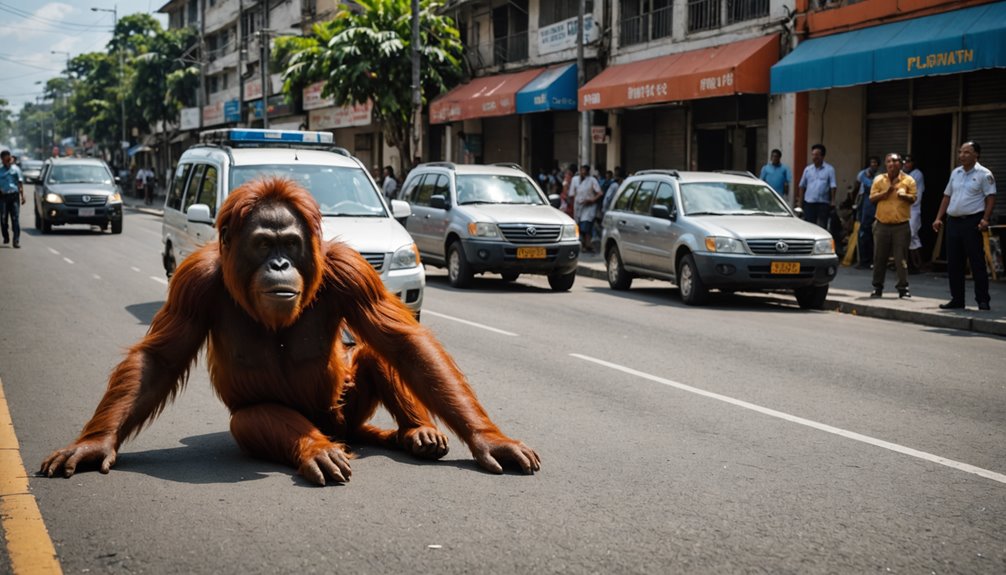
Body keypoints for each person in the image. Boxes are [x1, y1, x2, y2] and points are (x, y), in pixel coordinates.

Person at [932, 141, 997, 311]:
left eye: (967, 152)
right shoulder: (956, 173)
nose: (962, 155)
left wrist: (986, 219)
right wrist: (938, 218)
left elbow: (991, 197)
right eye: (960, 152)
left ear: (976, 155)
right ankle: (957, 299)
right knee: (954, 263)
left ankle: (983, 300)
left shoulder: (984, 174)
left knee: (976, 262)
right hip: (953, 222)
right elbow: (947, 196)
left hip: (972, 222)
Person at [868, 153, 916, 299]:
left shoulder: (908, 180)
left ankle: (903, 288)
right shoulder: (879, 179)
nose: (891, 164)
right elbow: (871, 199)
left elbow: (914, 198)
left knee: (901, 258)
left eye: (894, 161)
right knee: (879, 258)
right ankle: (877, 287)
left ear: (900, 163)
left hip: (901, 225)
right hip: (882, 224)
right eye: (888, 161)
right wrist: (886, 192)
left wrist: (904, 196)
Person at [797, 144, 837, 231]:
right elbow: (802, 186)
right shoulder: (807, 169)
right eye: (813, 155)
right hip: (809, 203)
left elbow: (833, 186)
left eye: (817, 155)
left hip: (823, 203)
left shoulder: (829, 169)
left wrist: (833, 201)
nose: (814, 157)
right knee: (809, 226)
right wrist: (800, 203)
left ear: (822, 156)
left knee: (822, 227)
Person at [852, 156, 880, 269]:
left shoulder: (880, 176)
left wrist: (865, 179)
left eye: (875, 163)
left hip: (874, 207)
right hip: (864, 206)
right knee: (862, 234)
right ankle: (863, 260)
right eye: (871, 162)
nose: (872, 165)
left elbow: (872, 186)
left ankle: (873, 261)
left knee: (873, 235)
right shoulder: (863, 174)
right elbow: (856, 187)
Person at [571, 164, 603, 252]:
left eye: (585, 171)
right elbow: (572, 194)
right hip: (578, 206)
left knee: (586, 226)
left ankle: (588, 244)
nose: (583, 172)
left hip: (589, 207)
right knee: (580, 227)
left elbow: (600, 193)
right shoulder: (575, 180)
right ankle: (584, 244)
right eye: (582, 170)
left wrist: (591, 200)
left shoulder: (592, 180)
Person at [904, 154, 925, 272]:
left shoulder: (917, 174)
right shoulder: (906, 173)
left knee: (910, 235)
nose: (906, 164)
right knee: (913, 239)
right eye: (905, 162)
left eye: (908, 162)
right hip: (906, 210)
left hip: (914, 209)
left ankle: (915, 265)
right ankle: (915, 265)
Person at [0, 150, 25, 249]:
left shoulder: (16, 169)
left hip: (14, 196)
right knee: (3, 218)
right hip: (3, 197)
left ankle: (16, 240)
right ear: (2, 160)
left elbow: (20, 183)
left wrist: (22, 196)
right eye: (6, 159)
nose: (8, 161)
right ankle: (6, 236)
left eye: (9, 158)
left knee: (15, 218)